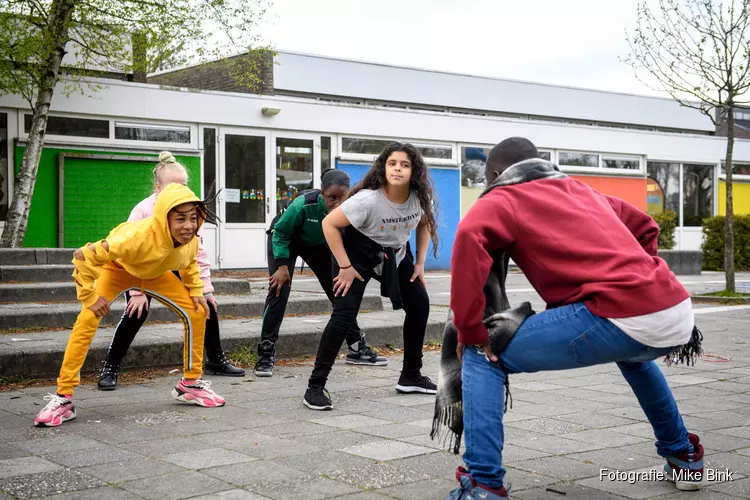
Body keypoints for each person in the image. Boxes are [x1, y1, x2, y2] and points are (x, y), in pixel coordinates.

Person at [445, 137, 704, 499]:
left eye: (486, 180)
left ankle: (484, 484)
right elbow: (645, 227)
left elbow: (469, 236)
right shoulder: (581, 189)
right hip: (674, 307)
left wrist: (470, 330)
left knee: (479, 355)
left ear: (495, 174)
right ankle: (684, 456)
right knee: (634, 358)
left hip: (619, 310)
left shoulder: (503, 197)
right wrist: (638, 279)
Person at [34, 182, 225, 427]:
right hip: (119, 269)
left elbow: (188, 264)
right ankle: (63, 398)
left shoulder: (191, 238)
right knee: (87, 319)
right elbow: (84, 256)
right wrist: (90, 297)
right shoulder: (134, 237)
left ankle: (190, 384)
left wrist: (196, 290)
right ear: (163, 218)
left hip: (155, 274)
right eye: (180, 219)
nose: (188, 226)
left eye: (193, 218)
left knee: (198, 311)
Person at [303, 142, 440, 411]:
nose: (398, 169)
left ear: (414, 171)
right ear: (383, 168)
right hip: (355, 256)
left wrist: (420, 263)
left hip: (395, 255)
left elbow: (425, 223)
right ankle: (315, 387)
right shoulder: (368, 200)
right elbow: (328, 224)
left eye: (404, 164)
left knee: (419, 305)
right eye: (392, 163)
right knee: (343, 316)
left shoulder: (419, 197)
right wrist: (344, 267)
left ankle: (411, 375)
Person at [97, 152, 244, 391]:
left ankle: (216, 360)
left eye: (184, 185)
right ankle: (110, 367)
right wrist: (136, 292)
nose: (181, 190)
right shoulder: (143, 210)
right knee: (137, 311)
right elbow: (126, 253)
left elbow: (198, 252)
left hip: (174, 266)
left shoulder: (189, 210)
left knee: (206, 305)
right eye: (174, 185)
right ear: (158, 187)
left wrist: (205, 288)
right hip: (139, 269)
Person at [255, 168, 388, 377]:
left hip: (318, 246)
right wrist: (281, 266)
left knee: (340, 291)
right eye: (330, 198)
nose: (335, 203)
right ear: (321, 193)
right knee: (278, 292)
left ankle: (356, 348)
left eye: (340, 198)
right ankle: (265, 352)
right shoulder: (304, 204)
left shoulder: (353, 206)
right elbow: (280, 232)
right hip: (286, 240)